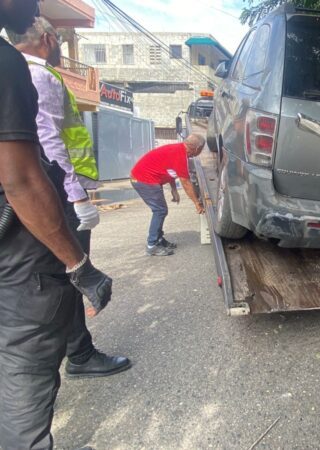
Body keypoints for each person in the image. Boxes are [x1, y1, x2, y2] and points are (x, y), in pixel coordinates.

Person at [0, 1, 112, 449]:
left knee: (60, 291)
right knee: (34, 326)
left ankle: (80, 354)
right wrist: (78, 255)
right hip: (37, 214)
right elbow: (30, 167)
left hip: (40, 205)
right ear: (48, 39)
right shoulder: (36, 74)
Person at [9, 18, 131, 379]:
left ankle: (69, 352)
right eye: (60, 39)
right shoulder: (39, 74)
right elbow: (49, 140)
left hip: (25, 192)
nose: (61, 46)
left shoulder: (12, 71)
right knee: (71, 271)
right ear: (48, 39)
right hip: (51, 192)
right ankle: (78, 355)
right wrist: (76, 196)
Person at [130, 134, 205, 256]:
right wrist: (197, 203)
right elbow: (186, 182)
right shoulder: (180, 155)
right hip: (143, 179)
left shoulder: (179, 149)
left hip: (145, 178)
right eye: (201, 150)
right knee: (160, 210)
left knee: (161, 210)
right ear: (196, 149)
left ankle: (158, 240)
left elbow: (170, 169)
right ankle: (152, 245)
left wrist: (174, 190)